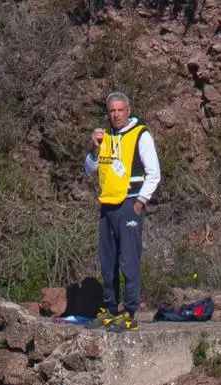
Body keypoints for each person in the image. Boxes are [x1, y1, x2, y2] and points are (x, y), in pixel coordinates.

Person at [85, 92, 161, 330]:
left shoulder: (141, 134)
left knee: (129, 260)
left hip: (129, 204)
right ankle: (109, 309)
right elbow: (90, 169)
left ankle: (129, 313)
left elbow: (154, 173)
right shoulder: (105, 137)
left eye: (120, 110)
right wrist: (95, 148)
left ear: (128, 110)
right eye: (112, 111)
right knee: (108, 261)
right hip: (107, 205)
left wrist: (140, 202)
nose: (116, 114)